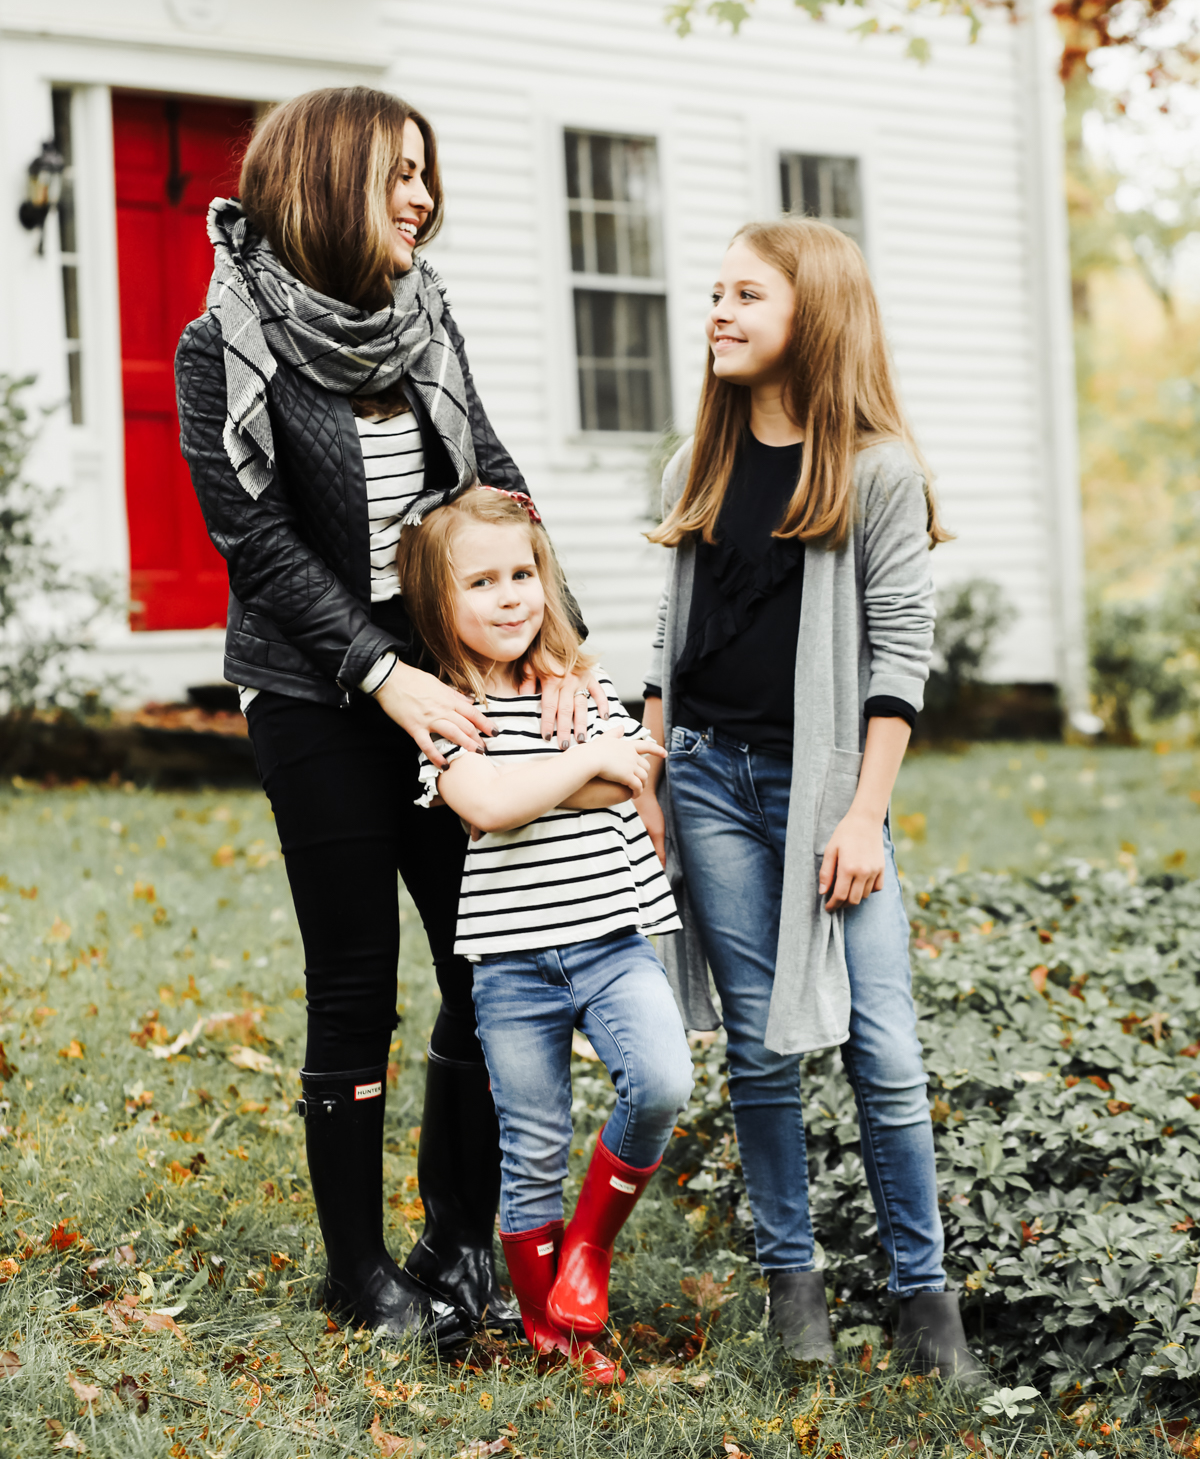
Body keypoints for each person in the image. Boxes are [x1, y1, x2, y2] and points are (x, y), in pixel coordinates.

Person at [176, 86, 604, 1345]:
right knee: (355, 981)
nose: (421, 195)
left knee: (487, 964)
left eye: (427, 173)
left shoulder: (426, 316)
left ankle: (459, 1237)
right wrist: (380, 670)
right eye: (396, 172)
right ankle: (360, 1273)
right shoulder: (222, 342)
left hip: (446, 682)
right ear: (322, 177)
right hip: (315, 692)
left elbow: (492, 479)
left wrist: (558, 640)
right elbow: (250, 535)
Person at [638, 217, 985, 1384]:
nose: (719, 314)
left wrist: (859, 817)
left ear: (813, 315)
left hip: (826, 791)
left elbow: (900, 656)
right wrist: (651, 770)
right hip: (711, 783)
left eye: (746, 295)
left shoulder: (878, 471)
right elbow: (664, 636)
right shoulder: (699, 466)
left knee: (883, 1052)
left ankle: (924, 1301)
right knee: (759, 1049)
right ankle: (795, 1293)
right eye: (717, 294)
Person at [397, 486, 694, 1385]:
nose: (511, 595)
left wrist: (571, 770)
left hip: (611, 940)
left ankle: (588, 1256)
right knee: (530, 1146)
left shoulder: (582, 683)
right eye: (482, 581)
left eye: (523, 572)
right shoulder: (447, 713)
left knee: (662, 1080)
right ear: (439, 604)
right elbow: (483, 805)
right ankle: (551, 1330)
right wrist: (582, 762)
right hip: (512, 966)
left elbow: (632, 776)